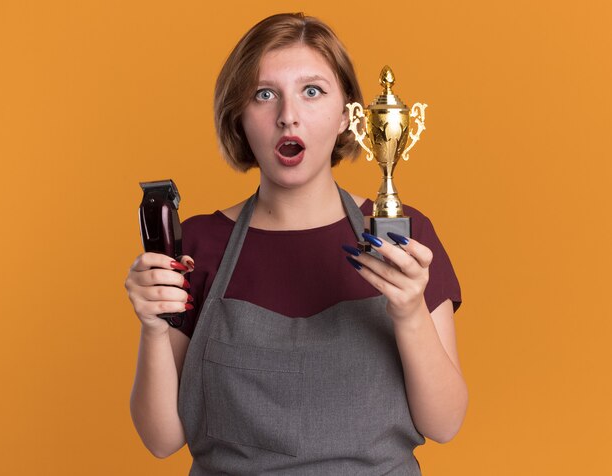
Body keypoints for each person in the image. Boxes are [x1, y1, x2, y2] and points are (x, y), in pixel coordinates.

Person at [125, 12, 467, 475]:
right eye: (264, 94)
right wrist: (151, 324)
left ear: (348, 116)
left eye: (312, 91)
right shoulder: (199, 244)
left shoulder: (402, 234)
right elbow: (162, 439)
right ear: (240, 117)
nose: (288, 115)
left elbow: (444, 424)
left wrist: (408, 313)